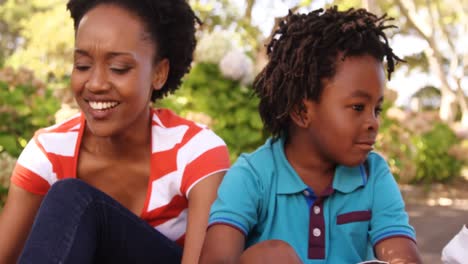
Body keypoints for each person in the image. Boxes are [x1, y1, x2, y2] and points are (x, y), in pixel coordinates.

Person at [0, 0, 230, 263]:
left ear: (159, 72)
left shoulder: (195, 151)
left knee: (74, 198)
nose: (95, 84)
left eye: (118, 68)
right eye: (83, 65)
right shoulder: (48, 154)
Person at [200, 6, 423, 264]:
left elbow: (402, 256)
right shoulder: (253, 176)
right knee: (272, 257)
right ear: (301, 112)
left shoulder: (373, 175)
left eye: (377, 109)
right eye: (358, 107)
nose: (373, 122)